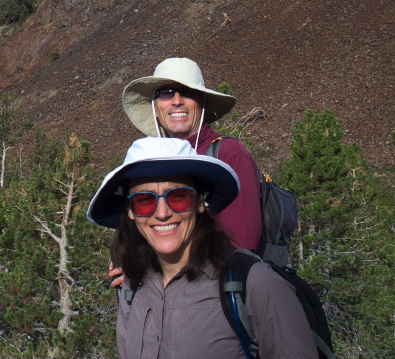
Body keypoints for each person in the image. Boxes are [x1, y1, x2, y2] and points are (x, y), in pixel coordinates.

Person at [88, 137, 317, 359]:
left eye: (178, 197)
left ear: (199, 203)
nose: (162, 213)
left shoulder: (254, 283)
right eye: (144, 200)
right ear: (130, 211)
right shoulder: (133, 288)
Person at [109, 57, 262, 287]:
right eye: (166, 93)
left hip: (212, 298)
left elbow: (241, 245)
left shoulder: (229, 154)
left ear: (202, 102)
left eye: (187, 92)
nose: (177, 101)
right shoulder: (148, 161)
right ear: (156, 108)